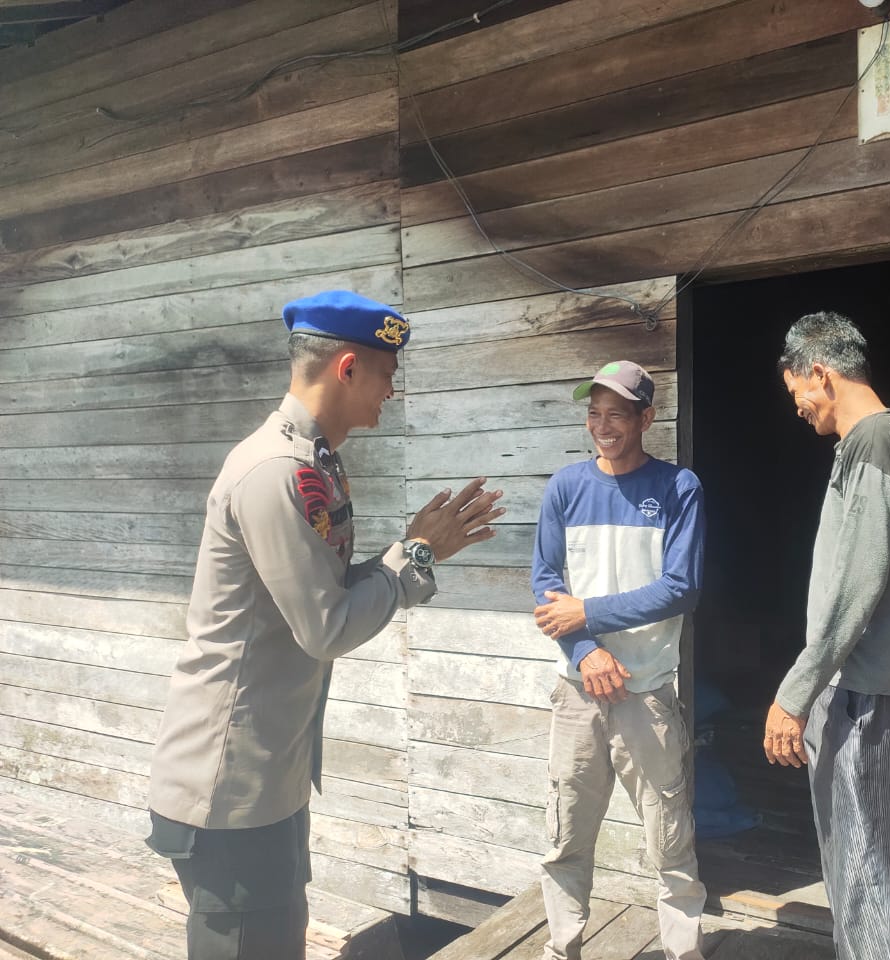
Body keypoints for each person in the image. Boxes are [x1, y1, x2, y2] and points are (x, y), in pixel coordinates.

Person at [146, 290, 504, 960]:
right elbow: (326, 626)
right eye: (387, 374)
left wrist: (412, 555)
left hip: (264, 780)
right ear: (347, 369)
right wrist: (414, 555)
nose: (391, 392)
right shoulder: (278, 471)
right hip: (229, 791)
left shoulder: (313, 462)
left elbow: (328, 590)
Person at [762, 312, 890, 960]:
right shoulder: (884, 444)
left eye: (798, 394)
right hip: (878, 685)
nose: (800, 409)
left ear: (821, 373)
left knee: (868, 877)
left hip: (859, 696)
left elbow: (858, 588)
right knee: (868, 866)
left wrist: (794, 693)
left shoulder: (872, 445)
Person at [531, 361, 706, 960]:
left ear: (645, 419)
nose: (603, 426)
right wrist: (585, 652)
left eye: (617, 414)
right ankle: (563, 948)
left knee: (671, 841)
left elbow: (681, 587)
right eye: (595, 413)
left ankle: (683, 952)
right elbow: (547, 584)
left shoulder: (679, 488)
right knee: (565, 839)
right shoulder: (565, 487)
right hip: (577, 693)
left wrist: (589, 616)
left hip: (647, 691)